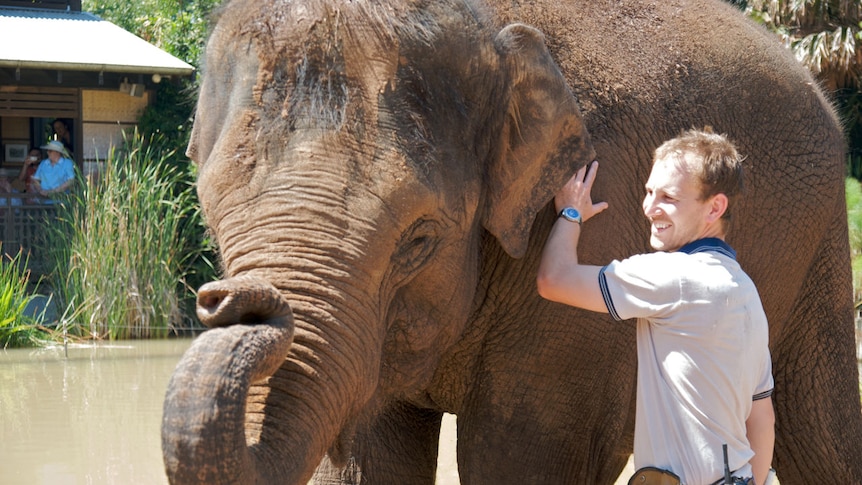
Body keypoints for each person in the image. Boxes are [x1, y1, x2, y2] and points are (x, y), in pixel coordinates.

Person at [536, 128, 775, 485]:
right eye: (649, 192)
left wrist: (571, 212)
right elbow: (761, 418)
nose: (649, 208)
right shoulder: (747, 293)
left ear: (715, 207)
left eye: (669, 197)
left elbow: (554, 280)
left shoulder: (672, 276)